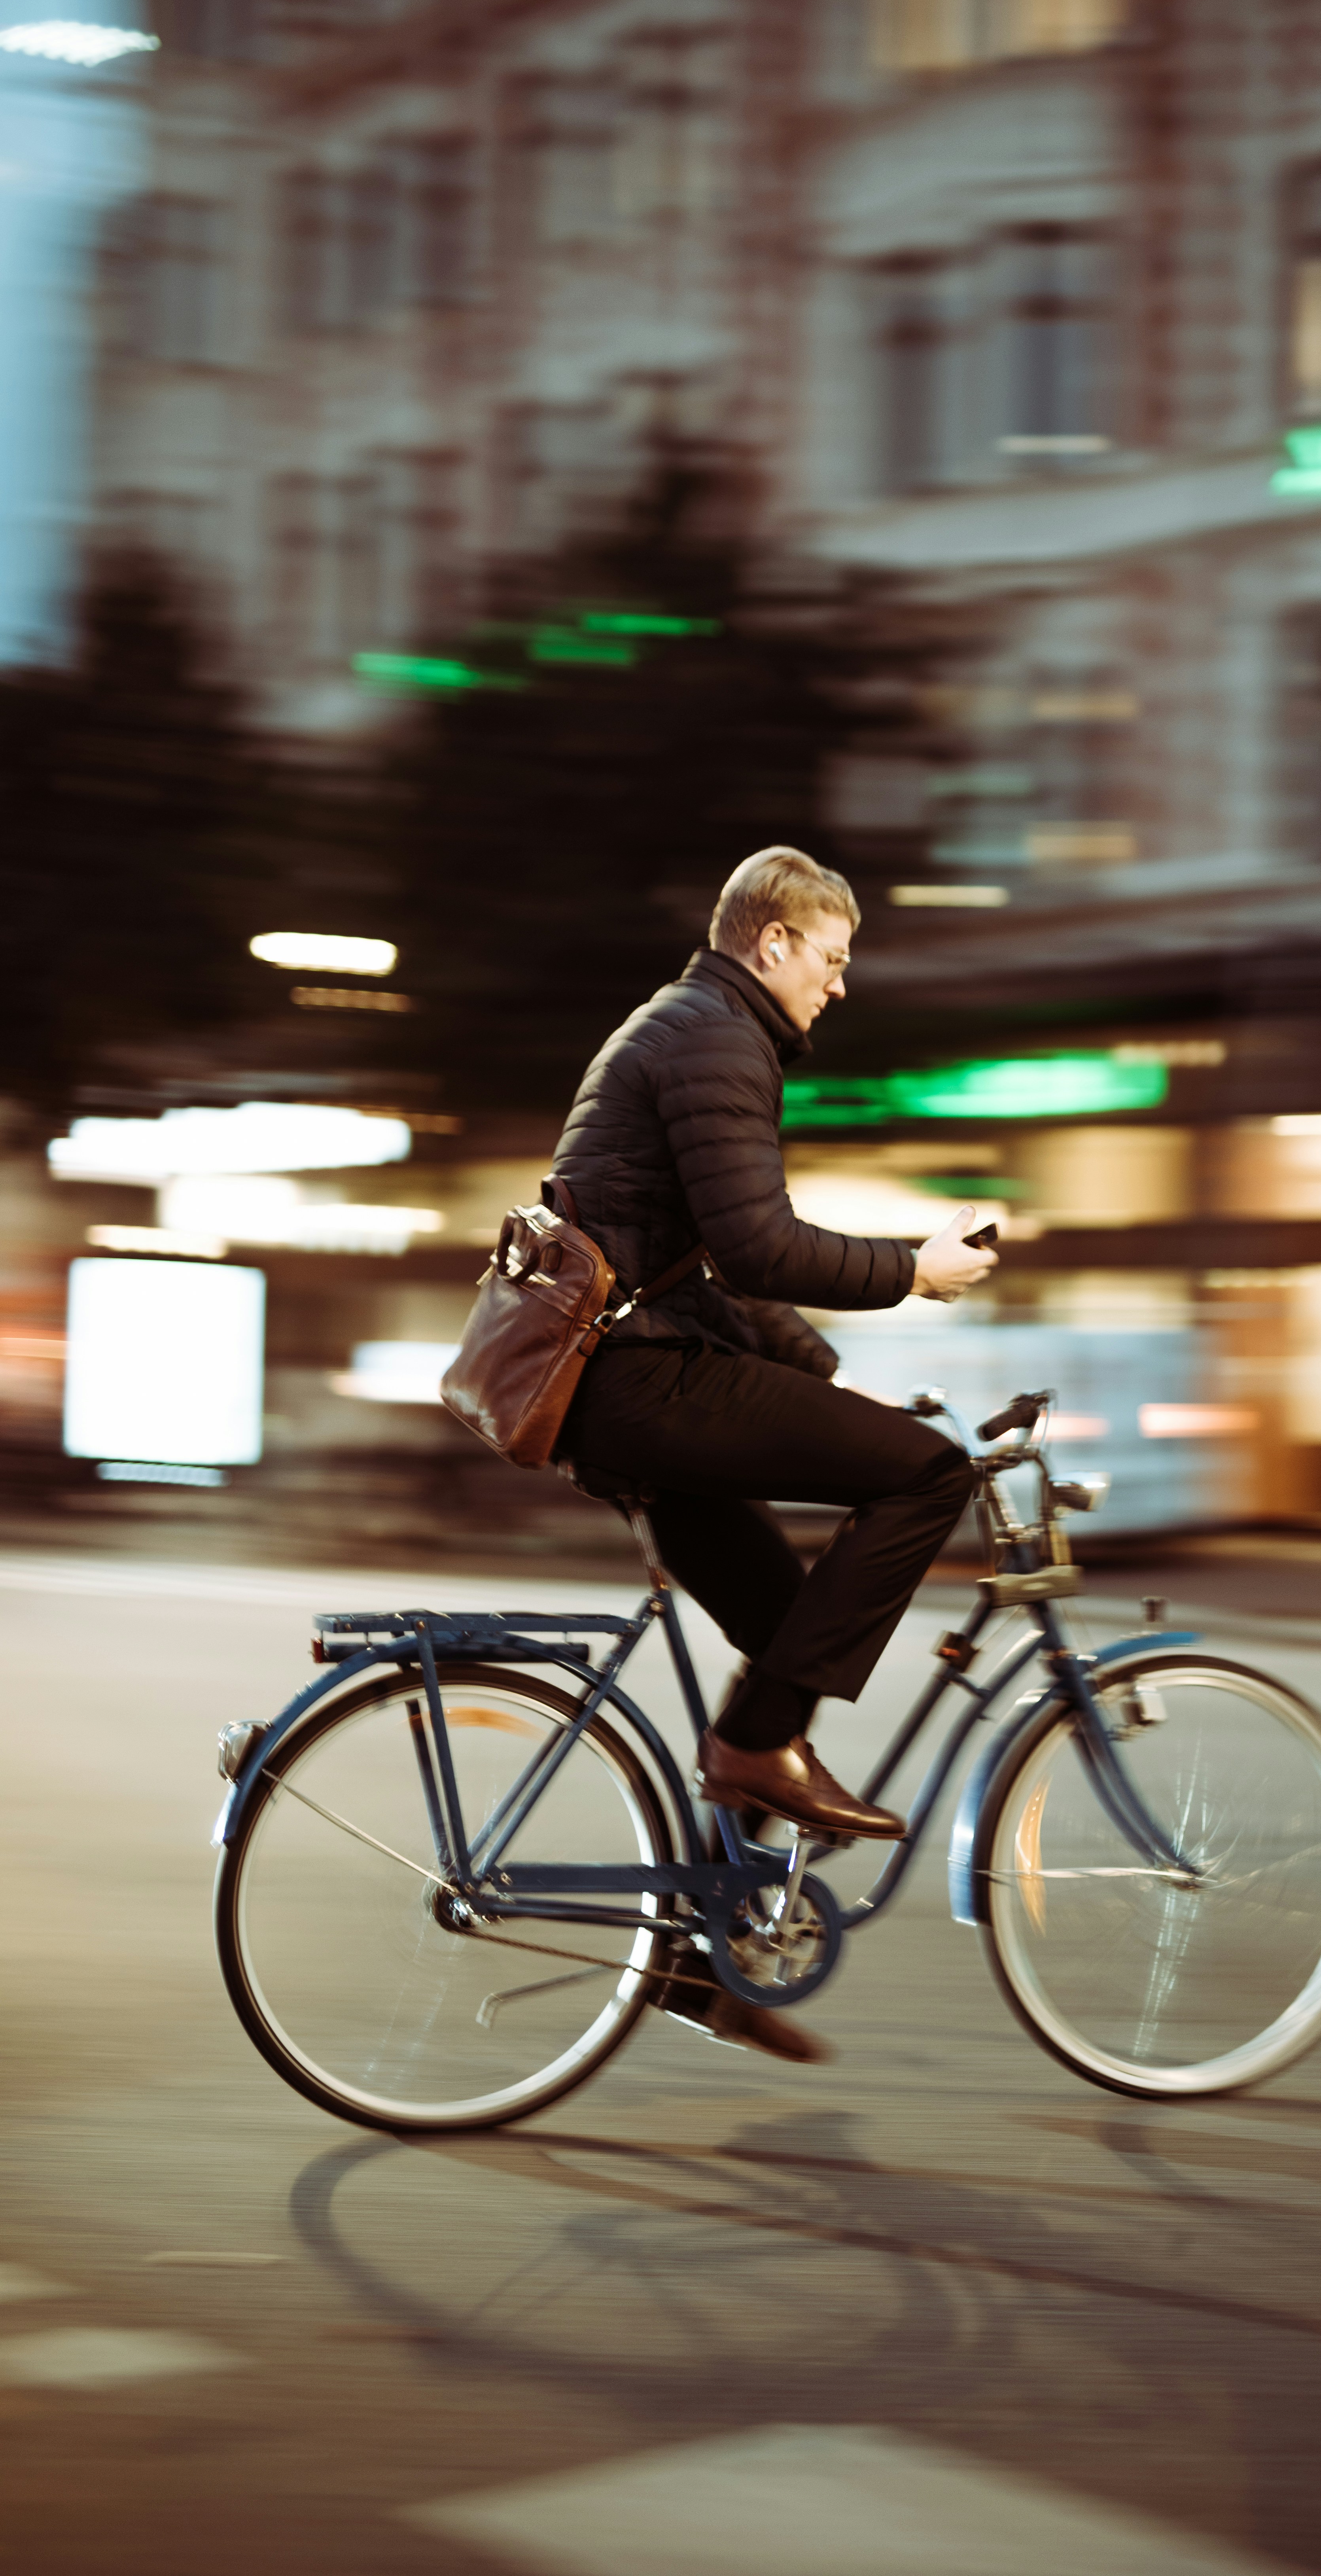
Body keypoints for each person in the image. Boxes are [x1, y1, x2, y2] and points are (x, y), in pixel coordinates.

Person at [553, 845, 996, 2060]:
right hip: (641, 1385)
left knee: (787, 1639)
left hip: (632, 1377)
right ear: (774, 943)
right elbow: (757, 1247)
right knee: (930, 1474)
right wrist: (913, 1271)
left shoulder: (701, 1027)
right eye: (832, 959)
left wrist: (828, 1385)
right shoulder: (716, 1038)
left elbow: (711, 1268)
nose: (840, 985)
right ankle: (753, 1757)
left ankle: (695, 1959)